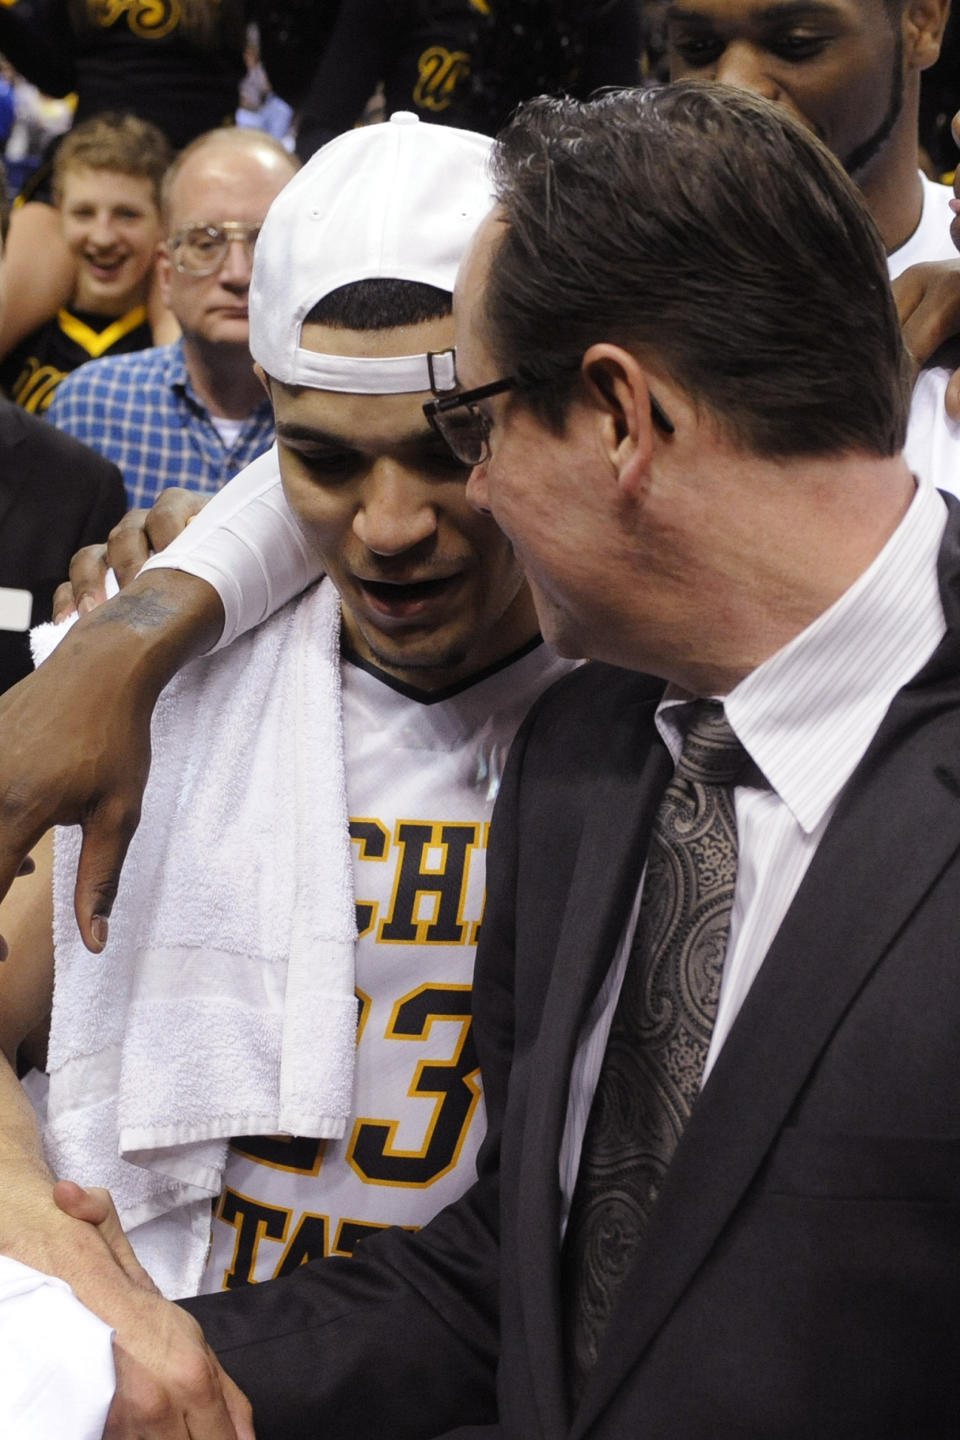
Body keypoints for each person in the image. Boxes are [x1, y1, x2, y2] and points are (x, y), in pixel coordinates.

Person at [13, 77, 960, 1437]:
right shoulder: (600, 755)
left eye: (470, 433)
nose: (418, 517)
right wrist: (124, 1368)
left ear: (622, 418)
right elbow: (517, 1276)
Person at [0, 111, 574, 1431]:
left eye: (449, 453)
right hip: (154, 1371)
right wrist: (42, 1220)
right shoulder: (173, 687)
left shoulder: (640, 704)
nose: (388, 529)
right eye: (324, 460)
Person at [45, 127, 294, 508]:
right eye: (205, 243)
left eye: (266, 241)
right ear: (165, 274)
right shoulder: (89, 407)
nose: (238, 273)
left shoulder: (349, 418)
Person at [0, 113, 169, 413]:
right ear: (59, 214)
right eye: (84, 213)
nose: (103, 237)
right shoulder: (20, 330)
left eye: (127, 214)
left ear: (162, 222)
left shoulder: (171, 344)